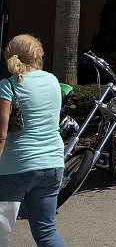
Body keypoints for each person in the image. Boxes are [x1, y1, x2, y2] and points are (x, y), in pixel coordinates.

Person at [0, 35, 67, 247]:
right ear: (38, 54)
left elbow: (2, 134)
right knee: (46, 232)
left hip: (16, 166)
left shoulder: (8, 86)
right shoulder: (53, 80)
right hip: (53, 164)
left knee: (1, 234)